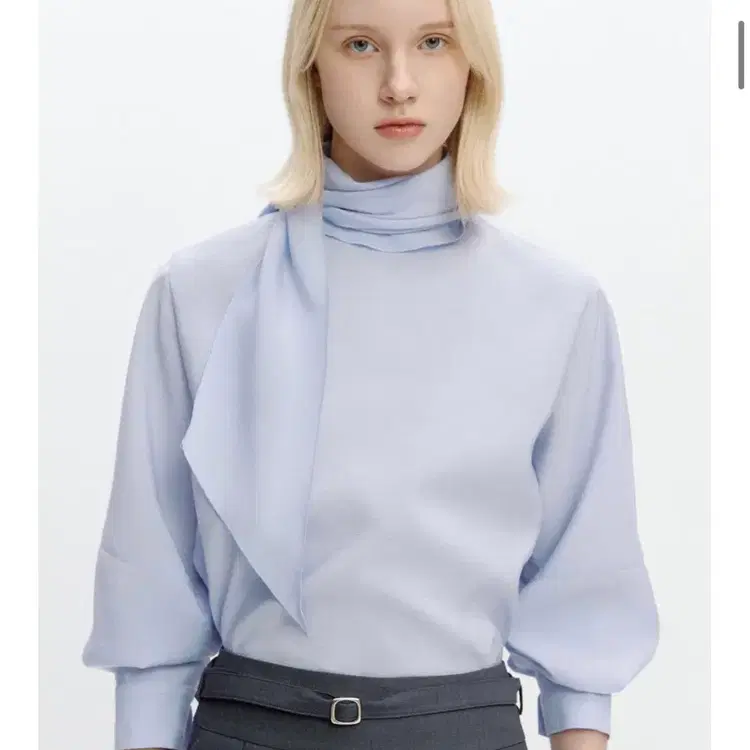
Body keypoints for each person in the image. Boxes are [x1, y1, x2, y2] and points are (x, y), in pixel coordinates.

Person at [82, 0, 660, 749]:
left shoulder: (558, 305)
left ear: (474, 66)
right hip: (253, 728)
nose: (399, 83)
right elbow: (150, 572)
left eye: (434, 42)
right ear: (310, 68)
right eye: (360, 45)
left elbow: (584, 576)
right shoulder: (199, 291)